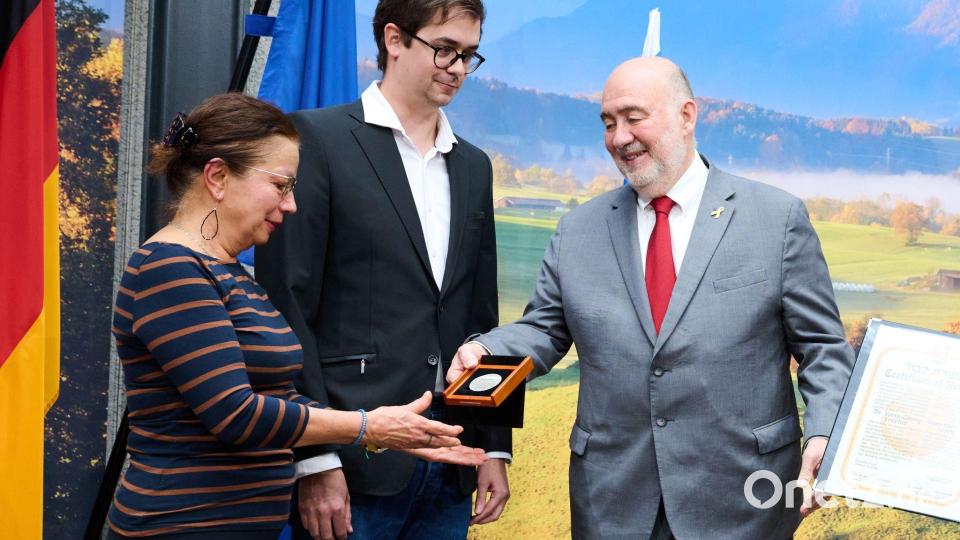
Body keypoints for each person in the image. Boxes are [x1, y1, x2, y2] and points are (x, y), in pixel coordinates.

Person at [448, 57, 856, 539]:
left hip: (745, 502)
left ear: (687, 115)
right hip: (612, 502)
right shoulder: (578, 230)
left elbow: (822, 347)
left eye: (634, 117)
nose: (620, 137)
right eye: (608, 123)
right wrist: (488, 349)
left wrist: (826, 431)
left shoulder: (776, 218)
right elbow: (544, 329)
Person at [107, 93, 486, 540]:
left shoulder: (230, 272)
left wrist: (394, 431)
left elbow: (281, 396)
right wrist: (367, 426)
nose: (291, 206)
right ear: (218, 176)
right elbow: (235, 413)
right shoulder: (169, 269)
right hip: (177, 525)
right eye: (281, 186)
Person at [255, 1, 512, 538]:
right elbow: (286, 305)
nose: (458, 68)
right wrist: (314, 459)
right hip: (350, 463)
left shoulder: (474, 165)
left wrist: (493, 445)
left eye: (469, 55)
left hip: (451, 459)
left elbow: (481, 317)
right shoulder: (317, 139)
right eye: (445, 49)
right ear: (394, 39)